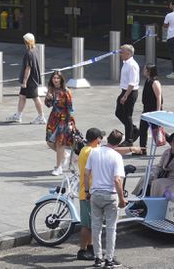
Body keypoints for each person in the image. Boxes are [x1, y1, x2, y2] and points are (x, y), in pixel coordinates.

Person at [84, 129, 128, 268]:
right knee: (111, 228)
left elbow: (86, 174)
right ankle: (109, 259)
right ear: (119, 142)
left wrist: (87, 191)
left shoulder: (94, 152)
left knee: (96, 228)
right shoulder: (116, 157)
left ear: (107, 138)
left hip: (95, 194)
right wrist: (122, 199)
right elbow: (117, 180)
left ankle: (98, 258)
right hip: (110, 195)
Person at [76, 127, 104, 262]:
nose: (101, 141)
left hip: (91, 192)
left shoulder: (85, 149)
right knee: (87, 225)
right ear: (96, 139)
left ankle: (91, 246)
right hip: (86, 194)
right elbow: (105, 152)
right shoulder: (89, 151)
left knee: (93, 223)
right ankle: (82, 250)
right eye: (100, 139)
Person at [6, 32, 45, 124]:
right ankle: (18, 115)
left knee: (35, 97)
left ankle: (41, 117)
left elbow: (28, 68)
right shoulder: (35, 50)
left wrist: (24, 82)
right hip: (33, 79)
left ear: (26, 42)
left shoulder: (29, 53)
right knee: (22, 96)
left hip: (30, 81)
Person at [44, 71, 77, 176]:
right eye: (54, 78)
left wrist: (70, 123)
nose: (56, 80)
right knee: (49, 141)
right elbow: (48, 105)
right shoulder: (51, 90)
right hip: (53, 118)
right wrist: (48, 98)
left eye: (58, 78)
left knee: (60, 143)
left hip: (64, 119)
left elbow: (70, 108)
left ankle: (59, 167)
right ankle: (65, 155)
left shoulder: (66, 91)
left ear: (61, 80)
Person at [116, 44, 140, 144]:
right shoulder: (126, 63)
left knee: (127, 115)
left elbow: (132, 83)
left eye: (122, 51)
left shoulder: (132, 65)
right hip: (124, 91)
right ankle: (133, 129)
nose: (120, 53)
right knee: (119, 113)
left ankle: (129, 139)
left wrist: (125, 96)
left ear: (128, 53)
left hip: (130, 92)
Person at [138, 64, 164, 153]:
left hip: (153, 111)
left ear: (149, 71)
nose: (143, 70)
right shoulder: (147, 80)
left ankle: (171, 141)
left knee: (157, 130)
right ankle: (142, 149)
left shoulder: (155, 82)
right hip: (146, 110)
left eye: (145, 69)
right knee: (142, 129)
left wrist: (158, 111)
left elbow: (159, 97)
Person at [148, 132, 174, 197]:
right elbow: (160, 166)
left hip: (171, 179)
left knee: (157, 183)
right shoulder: (167, 152)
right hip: (163, 175)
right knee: (147, 177)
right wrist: (154, 173)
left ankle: (154, 202)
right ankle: (140, 198)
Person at [163, 1, 174, 79]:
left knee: (173, 55)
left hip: (171, 37)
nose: (169, 5)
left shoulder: (169, 15)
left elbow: (165, 25)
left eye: (170, 4)